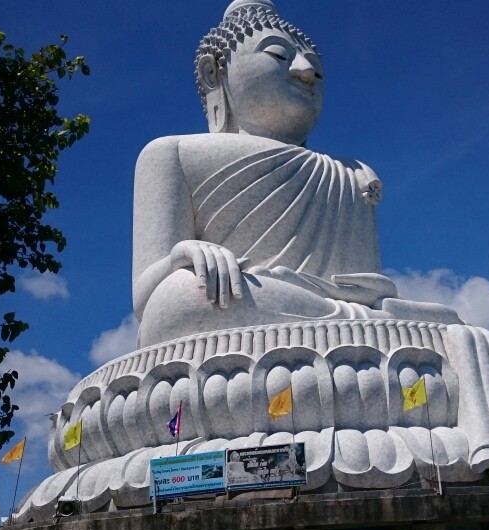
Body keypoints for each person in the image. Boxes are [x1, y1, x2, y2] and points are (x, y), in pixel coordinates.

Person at [133, 0, 460, 347]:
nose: (304, 71)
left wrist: (370, 298)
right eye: (278, 55)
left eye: (317, 71)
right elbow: (144, 297)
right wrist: (180, 256)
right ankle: (377, 328)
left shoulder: (349, 173)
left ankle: (368, 325)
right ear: (214, 72)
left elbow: (363, 283)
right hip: (237, 301)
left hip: (304, 310)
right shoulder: (172, 153)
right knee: (180, 298)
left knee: (455, 328)